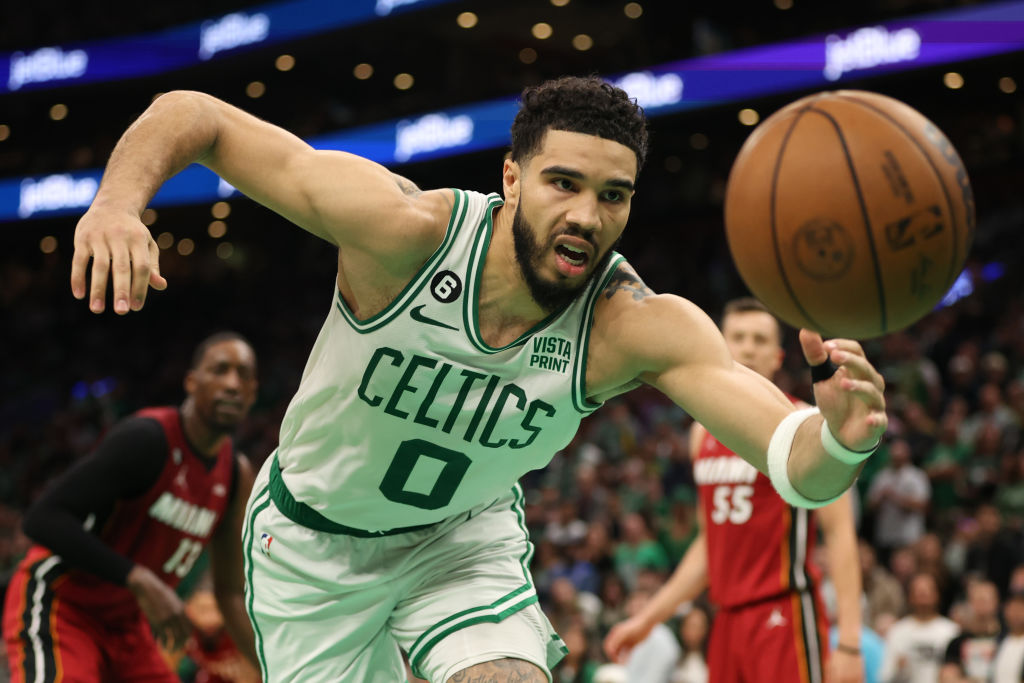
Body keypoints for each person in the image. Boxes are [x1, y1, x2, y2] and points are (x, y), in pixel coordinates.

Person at [69, 76, 887, 682]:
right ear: (511, 179)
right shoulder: (402, 233)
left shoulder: (633, 322)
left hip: (460, 540)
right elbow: (198, 115)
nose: (587, 216)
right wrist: (117, 204)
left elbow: (795, 462)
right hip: (312, 548)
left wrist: (840, 442)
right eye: (563, 183)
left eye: (613, 196)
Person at [603, 298, 866, 683]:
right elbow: (709, 547)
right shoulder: (700, 435)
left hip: (783, 612)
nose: (747, 347)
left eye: (760, 339)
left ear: (777, 357)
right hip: (725, 619)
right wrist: (647, 619)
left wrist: (851, 643)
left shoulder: (805, 426)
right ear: (719, 348)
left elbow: (841, 534)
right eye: (738, 337)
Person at [2, 332, 259, 681]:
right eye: (220, 370)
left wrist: (276, 671)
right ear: (191, 382)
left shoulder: (235, 475)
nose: (232, 384)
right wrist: (138, 578)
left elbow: (229, 593)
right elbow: (42, 519)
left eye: (243, 375)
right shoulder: (148, 438)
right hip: (63, 604)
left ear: (253, 392)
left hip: (125, 625)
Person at [878, 572, 960, 683]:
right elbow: (884, 677)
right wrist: (899, 670)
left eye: (927, 591)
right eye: (918, 592)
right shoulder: (897, 631)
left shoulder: (951, 631)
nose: (923, 595)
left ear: (937, 594)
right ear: (910, 596)